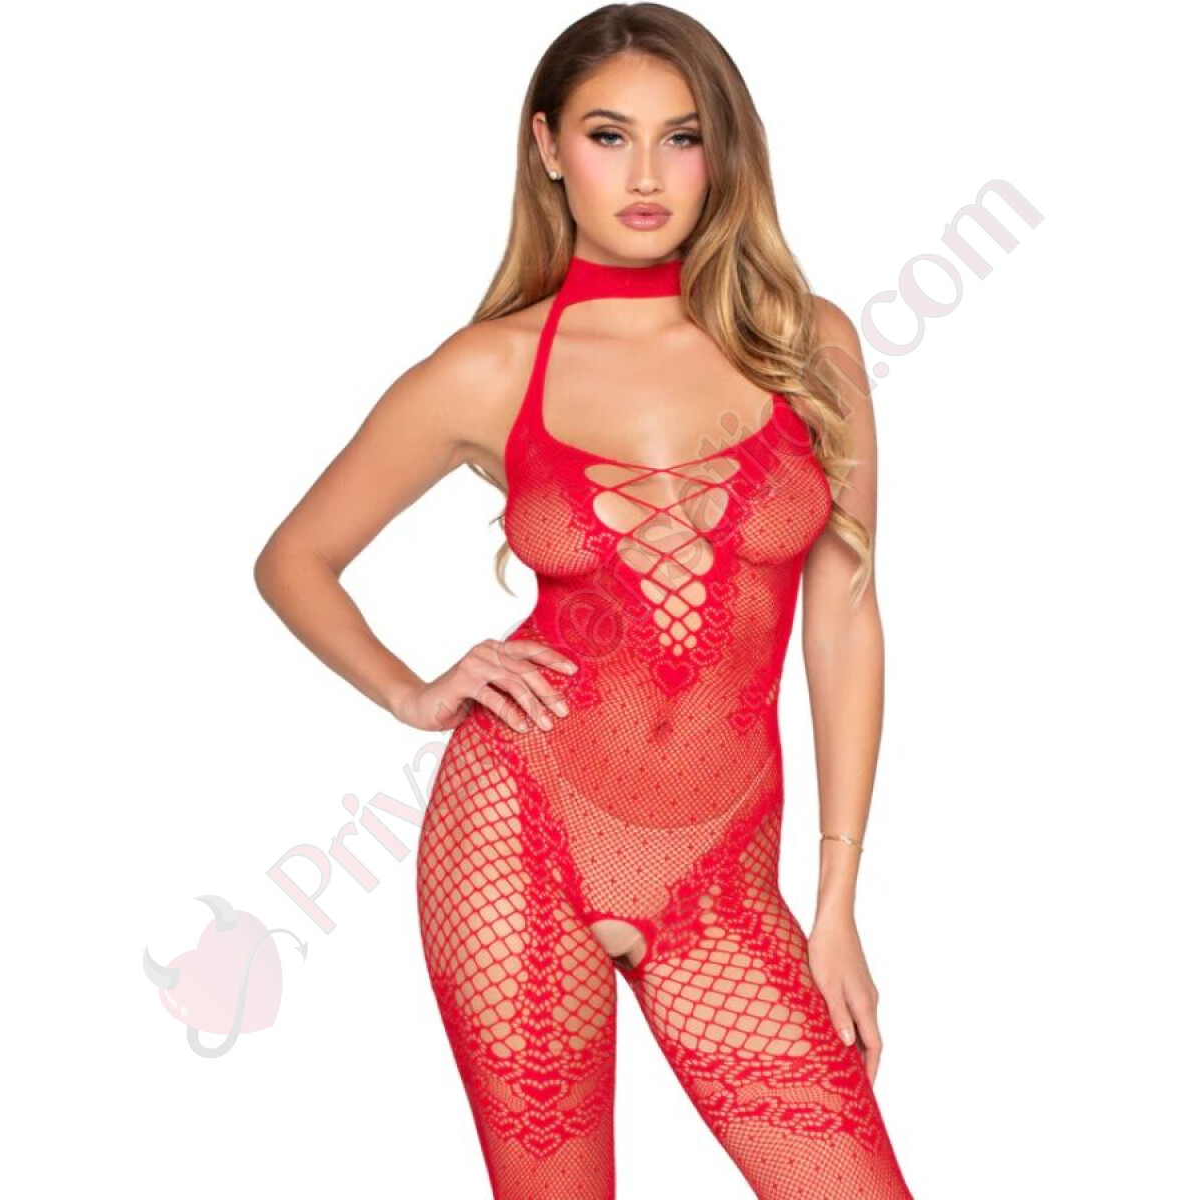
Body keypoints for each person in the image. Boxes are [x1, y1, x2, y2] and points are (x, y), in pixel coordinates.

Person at [254, 4, 915, 1196]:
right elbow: (295, 558)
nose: (648, 175)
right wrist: (413, 692)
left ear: (723, 151)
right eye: (611, 136)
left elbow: (846, 617)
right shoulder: (488, 367)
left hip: (722, 867)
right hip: (517, 835)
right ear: (550, 147)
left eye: (682, 136)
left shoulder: (804, 345)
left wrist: (837, 903)